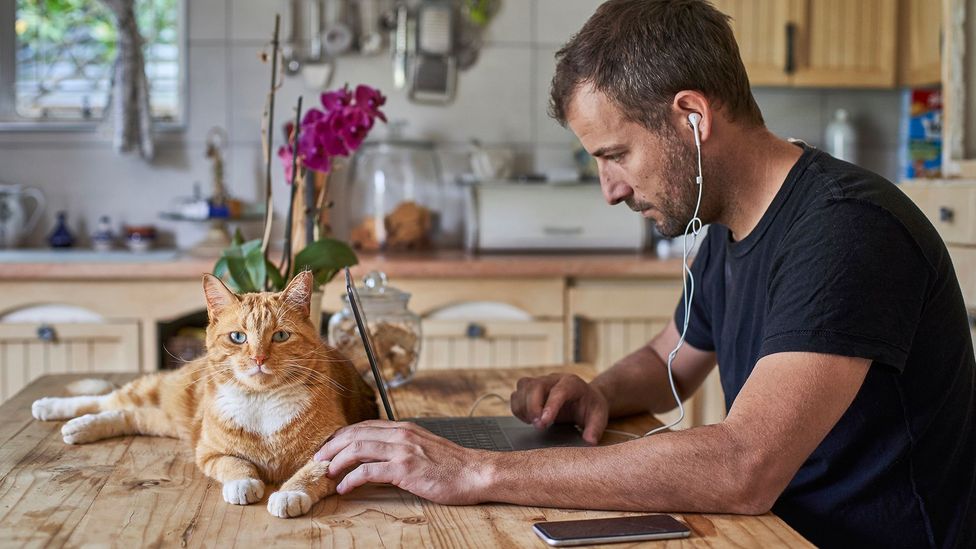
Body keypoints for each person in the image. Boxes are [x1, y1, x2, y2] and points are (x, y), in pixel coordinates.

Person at [314, 1, 976, 546]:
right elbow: (670, 360)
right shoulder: (730, 220)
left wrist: (476, 469)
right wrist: (597, 391)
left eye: (615, 154)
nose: (608, 189)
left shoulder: (847, 232)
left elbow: (744, 464)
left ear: (692, 117)